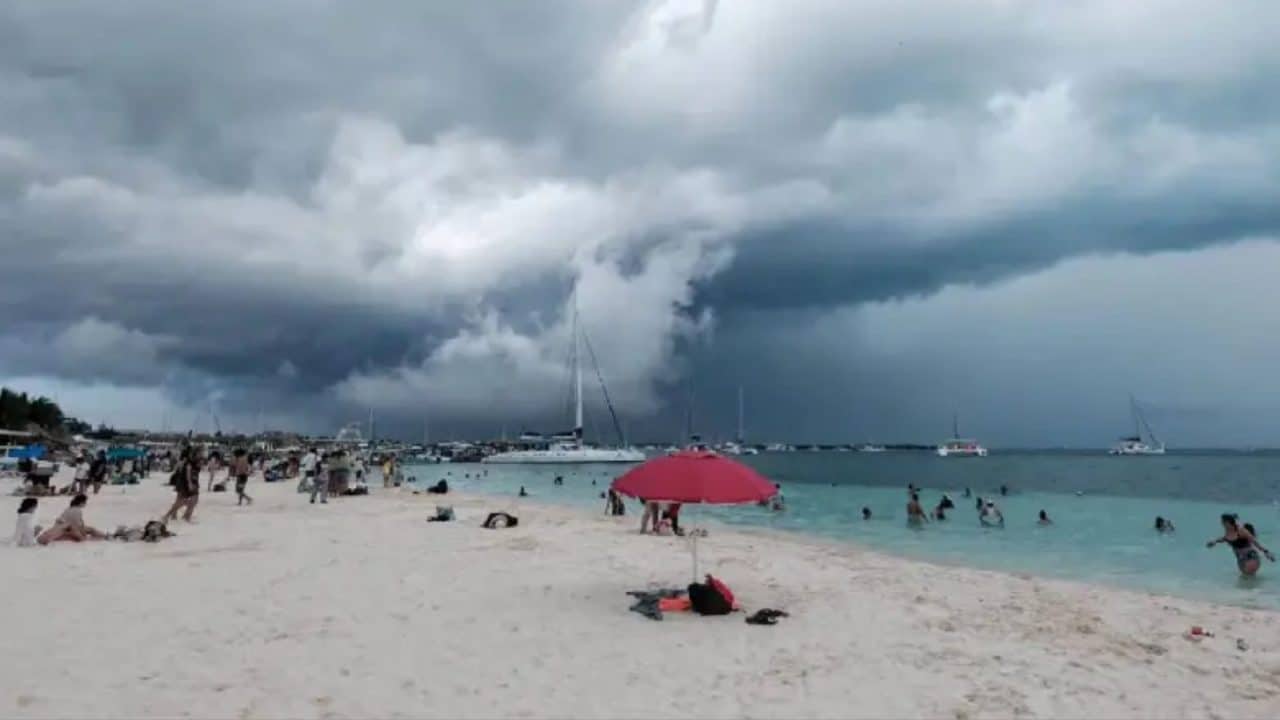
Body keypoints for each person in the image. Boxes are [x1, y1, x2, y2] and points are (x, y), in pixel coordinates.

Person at [1207, 514, 1275, 576]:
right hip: (1240, 559)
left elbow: (1254, 542)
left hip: (1251, 557)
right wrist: (1215, 542)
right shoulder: (1228, 531)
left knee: (1248, 578)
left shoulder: (1241, 531)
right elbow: (1225, 538)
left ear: (1227, 523)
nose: (1221, 523)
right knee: (1246, 579)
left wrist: (1266, 552)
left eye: (1222, 522)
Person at [38, 494, 108, 544]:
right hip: (67, 529)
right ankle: (105, 536)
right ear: (81, 503)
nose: (85, 504)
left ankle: (104, 536)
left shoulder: (69, 509)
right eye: (85, 502)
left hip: (63, 528)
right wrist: (82, 534)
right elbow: (77, 525)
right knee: (91, 530)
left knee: (89, 530)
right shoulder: (77, 510)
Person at [162, 448, 201, 524]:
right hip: (184, 482)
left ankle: (185, 516)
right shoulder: (187, 462)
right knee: (181, 501)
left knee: (193, 500)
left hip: (192, 482)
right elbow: (187, 472)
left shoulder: (196, 461)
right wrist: (189, 483)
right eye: (199, 453)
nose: (200, 454)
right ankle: (169, 515)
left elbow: (194, 472)